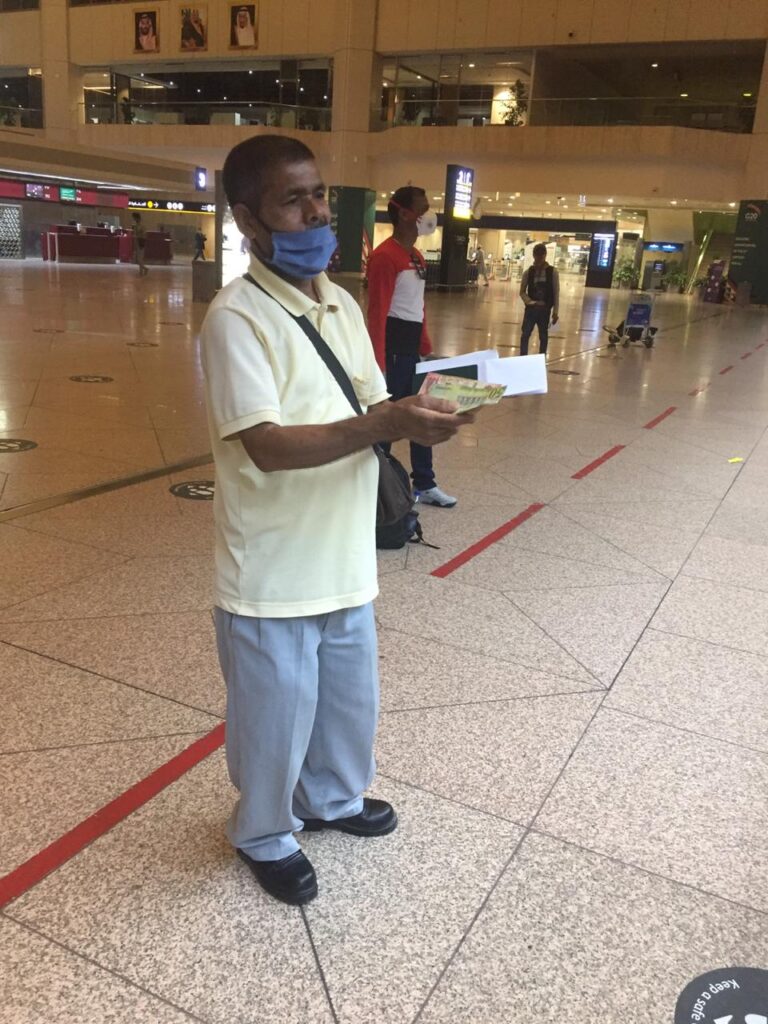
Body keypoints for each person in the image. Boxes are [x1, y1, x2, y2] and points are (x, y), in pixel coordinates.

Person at [200, 135, 472, 906]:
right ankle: (263, 832)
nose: (317, 211)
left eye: (318, 193)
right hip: (273, 570)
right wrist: (384, 421)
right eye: (293, 200)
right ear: (248, 219)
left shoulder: (341, 303)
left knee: (348, 706)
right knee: (274, 720)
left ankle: (331, 799)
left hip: (345, 557)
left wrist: (423, 415)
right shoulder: (236, 318)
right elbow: (266, 445)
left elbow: (371, 403)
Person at [366, 186, 458, 508]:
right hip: (392, 352)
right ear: (405, 214)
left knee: (422, 414)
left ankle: (425, 482)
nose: (428, 215)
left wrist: (425, 346)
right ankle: (377, 486)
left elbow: (418, 307)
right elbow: (377, 312)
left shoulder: (416, 256)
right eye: (423, 208)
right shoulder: (385, 257)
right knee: (387, 420)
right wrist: (378, 362)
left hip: (413, 352)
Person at [519, 242, 559, 356]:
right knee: (525, 334)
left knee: (543, 336)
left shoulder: (552, 272)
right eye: (537, 255)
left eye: (541, 255)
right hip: (531, 309)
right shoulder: (528, 272)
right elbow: (522, 291)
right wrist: (530, 302)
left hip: (544, 310)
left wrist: (555, 312)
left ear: (545, 255)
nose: (539, 258)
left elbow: (556, 292)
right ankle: (523, 358)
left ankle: (541, 358)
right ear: (533, 255)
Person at [131, 212, 148, 276]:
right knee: (138, 259)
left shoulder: (141, 225)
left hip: (141, 242)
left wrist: (138, 235)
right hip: (137, 242)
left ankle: (144, 270)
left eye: (134, 218)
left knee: (139, 259)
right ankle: (142, 271)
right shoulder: (136, 225)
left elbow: (144, 234)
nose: (134, 219)